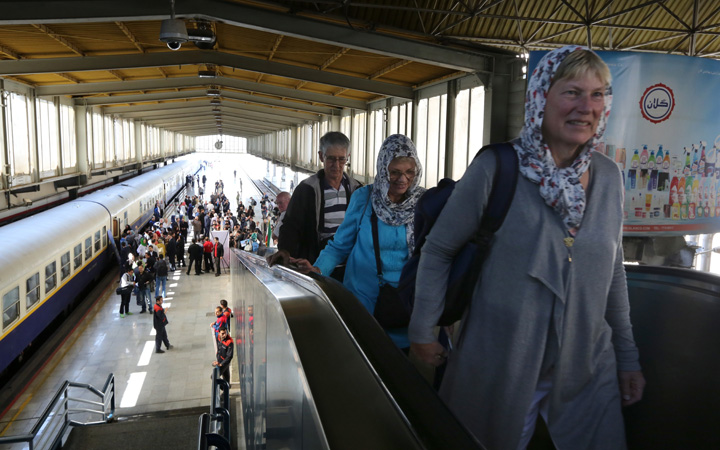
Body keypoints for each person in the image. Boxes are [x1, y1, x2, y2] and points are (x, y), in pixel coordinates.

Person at [408, 46, 646, 450]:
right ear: (541, 97)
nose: (586, 107)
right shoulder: (498, 169)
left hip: (586, 366)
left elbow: (613, 273)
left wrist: (627, 356)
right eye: (572, 92)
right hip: (501, 363)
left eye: (598, 94)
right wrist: (422, 329)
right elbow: (439, 250)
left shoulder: (608, 178)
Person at [293, 134, 425, 349]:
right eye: (395, 172)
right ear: (383, 169)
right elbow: (340, 246)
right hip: (364, 306)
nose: (403, 179)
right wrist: (318, 269)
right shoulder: (364, 198)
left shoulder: (423, 204)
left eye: (410, 172)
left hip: (405, 305)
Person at [267, 131, 362, 273]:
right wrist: (285, 250)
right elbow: (291, 225)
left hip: (351, 268)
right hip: (315, 266)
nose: (336, 165)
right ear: (321, 156)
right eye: (331, 159)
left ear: (347, 158)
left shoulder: (357, 190)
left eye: (341, 159)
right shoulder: (306, 190)